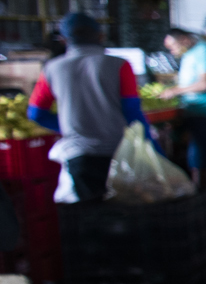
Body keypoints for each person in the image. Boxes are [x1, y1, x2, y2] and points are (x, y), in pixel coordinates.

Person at [27, 11, 149, 201]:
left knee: (91, 215)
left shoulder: (52, 68)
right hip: (119, 152)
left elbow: (36, 114)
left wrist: (71, 128)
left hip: (79, 154)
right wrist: (152, 146)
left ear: (63, 40)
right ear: (101, 36)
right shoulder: (119, 65)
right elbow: (132, 111)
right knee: (126, 211)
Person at [161, 26, 206, 190]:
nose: (172, 51)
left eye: (173, 46)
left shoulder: (203, 51)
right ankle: (197, 188)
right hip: (192, 110)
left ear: (184, 39)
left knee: (202, 151)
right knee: (192, 149)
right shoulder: (190, 54)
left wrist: (176, 90)